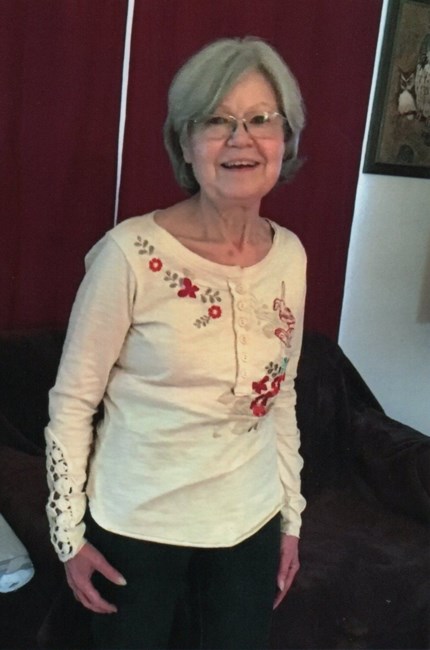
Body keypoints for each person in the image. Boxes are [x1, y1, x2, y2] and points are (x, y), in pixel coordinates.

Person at [45, 36, 307, 650]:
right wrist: (69, 535)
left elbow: (281, 396)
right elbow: (73, 401)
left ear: (285, 138)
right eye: (216, 120)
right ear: (185, 144)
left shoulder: (290, 256)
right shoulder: (129, 255)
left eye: (260, 119)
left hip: (250, 521)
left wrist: (291, 517)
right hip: (136, 524)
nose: (240, 139)